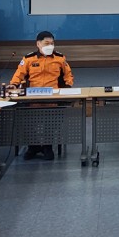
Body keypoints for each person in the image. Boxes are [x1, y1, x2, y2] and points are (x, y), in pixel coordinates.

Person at [10, 31, 74, 160]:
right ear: (38, 44)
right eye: (47, 43)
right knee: (27, 121)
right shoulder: (29, 59)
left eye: (52, 43)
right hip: (32, 97)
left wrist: (67, 87)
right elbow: (18, 75)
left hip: (53, 97)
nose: (50, 46)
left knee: (50, 121)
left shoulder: (60, 58)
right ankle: (33, 147)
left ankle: (47, 146)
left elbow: (68, 76)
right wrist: (14, 85)